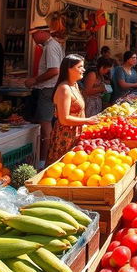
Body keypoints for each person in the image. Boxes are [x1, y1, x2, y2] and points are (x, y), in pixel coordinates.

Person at [47, 54, 99, 165]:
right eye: (80, 67)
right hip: (65, 137)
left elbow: (81, 111)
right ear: (69, 69)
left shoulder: (74, 85)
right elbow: (64, 119)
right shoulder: (64, 89)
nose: (83, 70)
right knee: (62, 169)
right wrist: (87, 121)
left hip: (75, 135)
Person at [25, 19, 64, 163]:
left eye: (34, 35)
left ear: (41, 32)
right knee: (46, 122)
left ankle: (43, 160)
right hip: (49, 89)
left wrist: (34, 80)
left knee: (45, 123)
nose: (33, 38)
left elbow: (54, 70)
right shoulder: (52, 46)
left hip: (47, 89)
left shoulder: (50, 47)